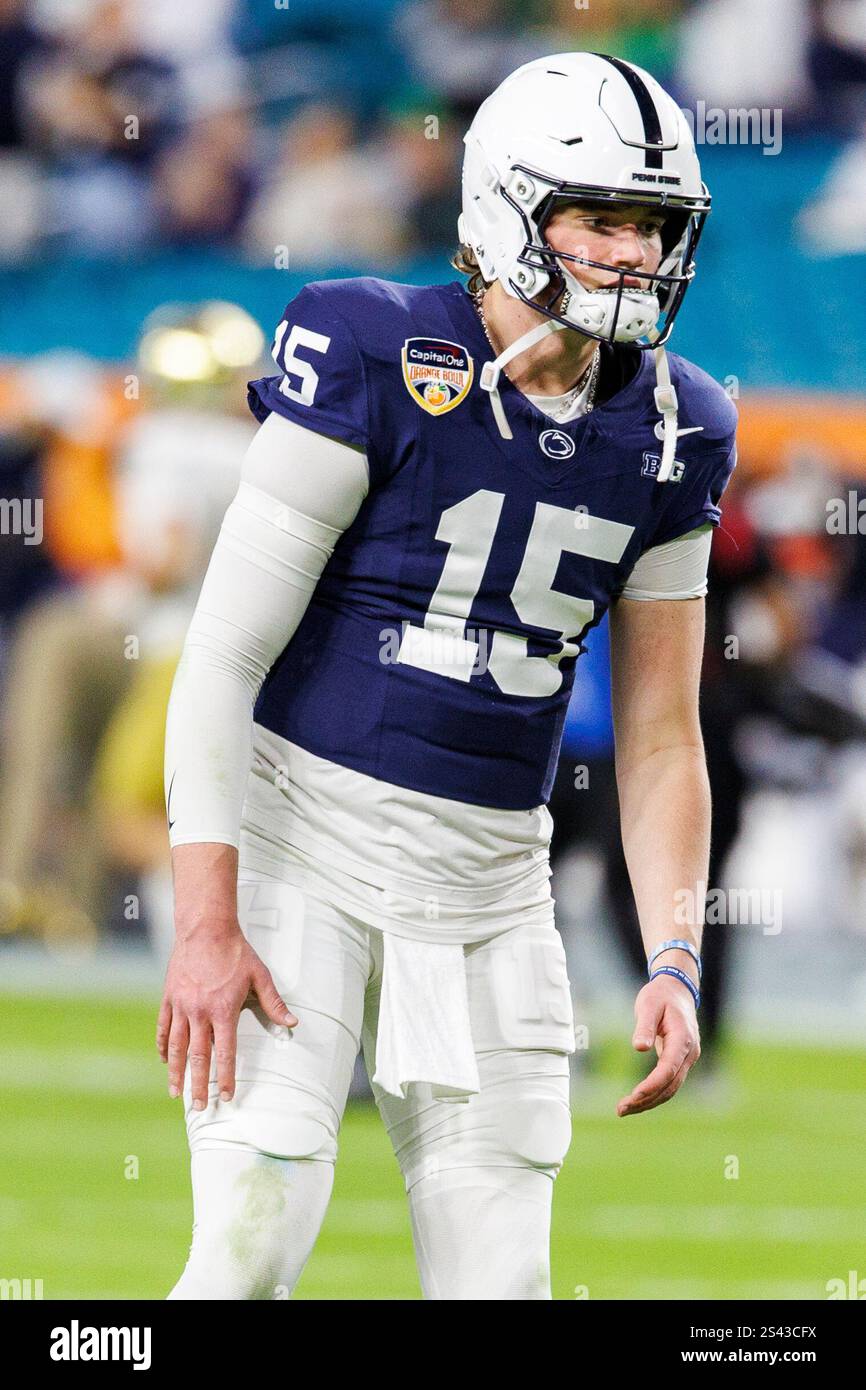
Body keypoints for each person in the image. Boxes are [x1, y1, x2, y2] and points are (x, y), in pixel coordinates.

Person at [160, 51, 737, 1300]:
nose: (632, 253)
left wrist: (673, 957)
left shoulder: (679, 426)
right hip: (301, 839)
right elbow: (220, 656)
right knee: (252, 1246)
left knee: (501, 1290)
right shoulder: (371, 344)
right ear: (505, 211)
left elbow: (657, 736)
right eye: (598, 218)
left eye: (652, 225)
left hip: (491, 880)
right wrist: (205, 923)